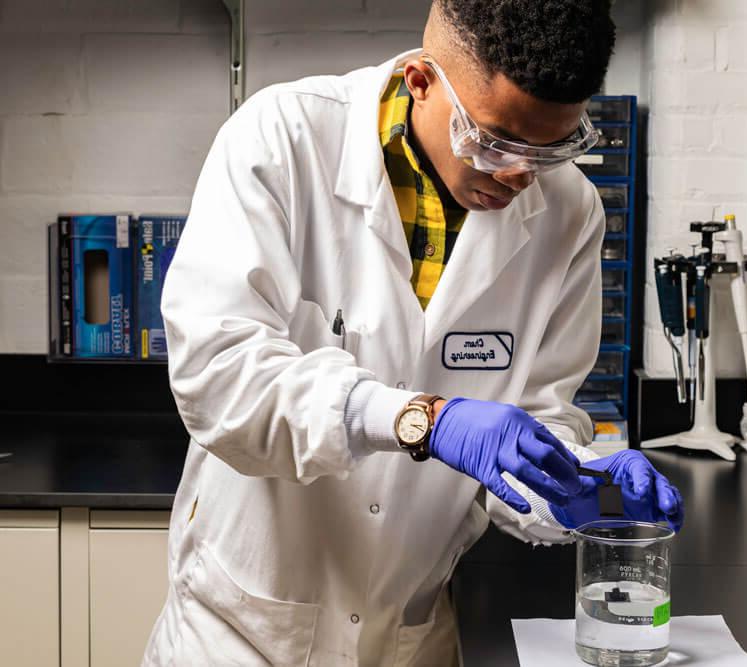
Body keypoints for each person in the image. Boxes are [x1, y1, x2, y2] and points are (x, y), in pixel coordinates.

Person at [142, 1, 683, 665]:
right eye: (493, 142)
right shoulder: (282, 139)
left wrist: (582, 488)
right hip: (243, 630)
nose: (519, 174)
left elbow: (537, 425)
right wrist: (422, 418)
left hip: (410, 631)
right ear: (421, 80)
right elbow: (219, 380)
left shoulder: (568, 213)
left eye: (549, 148)